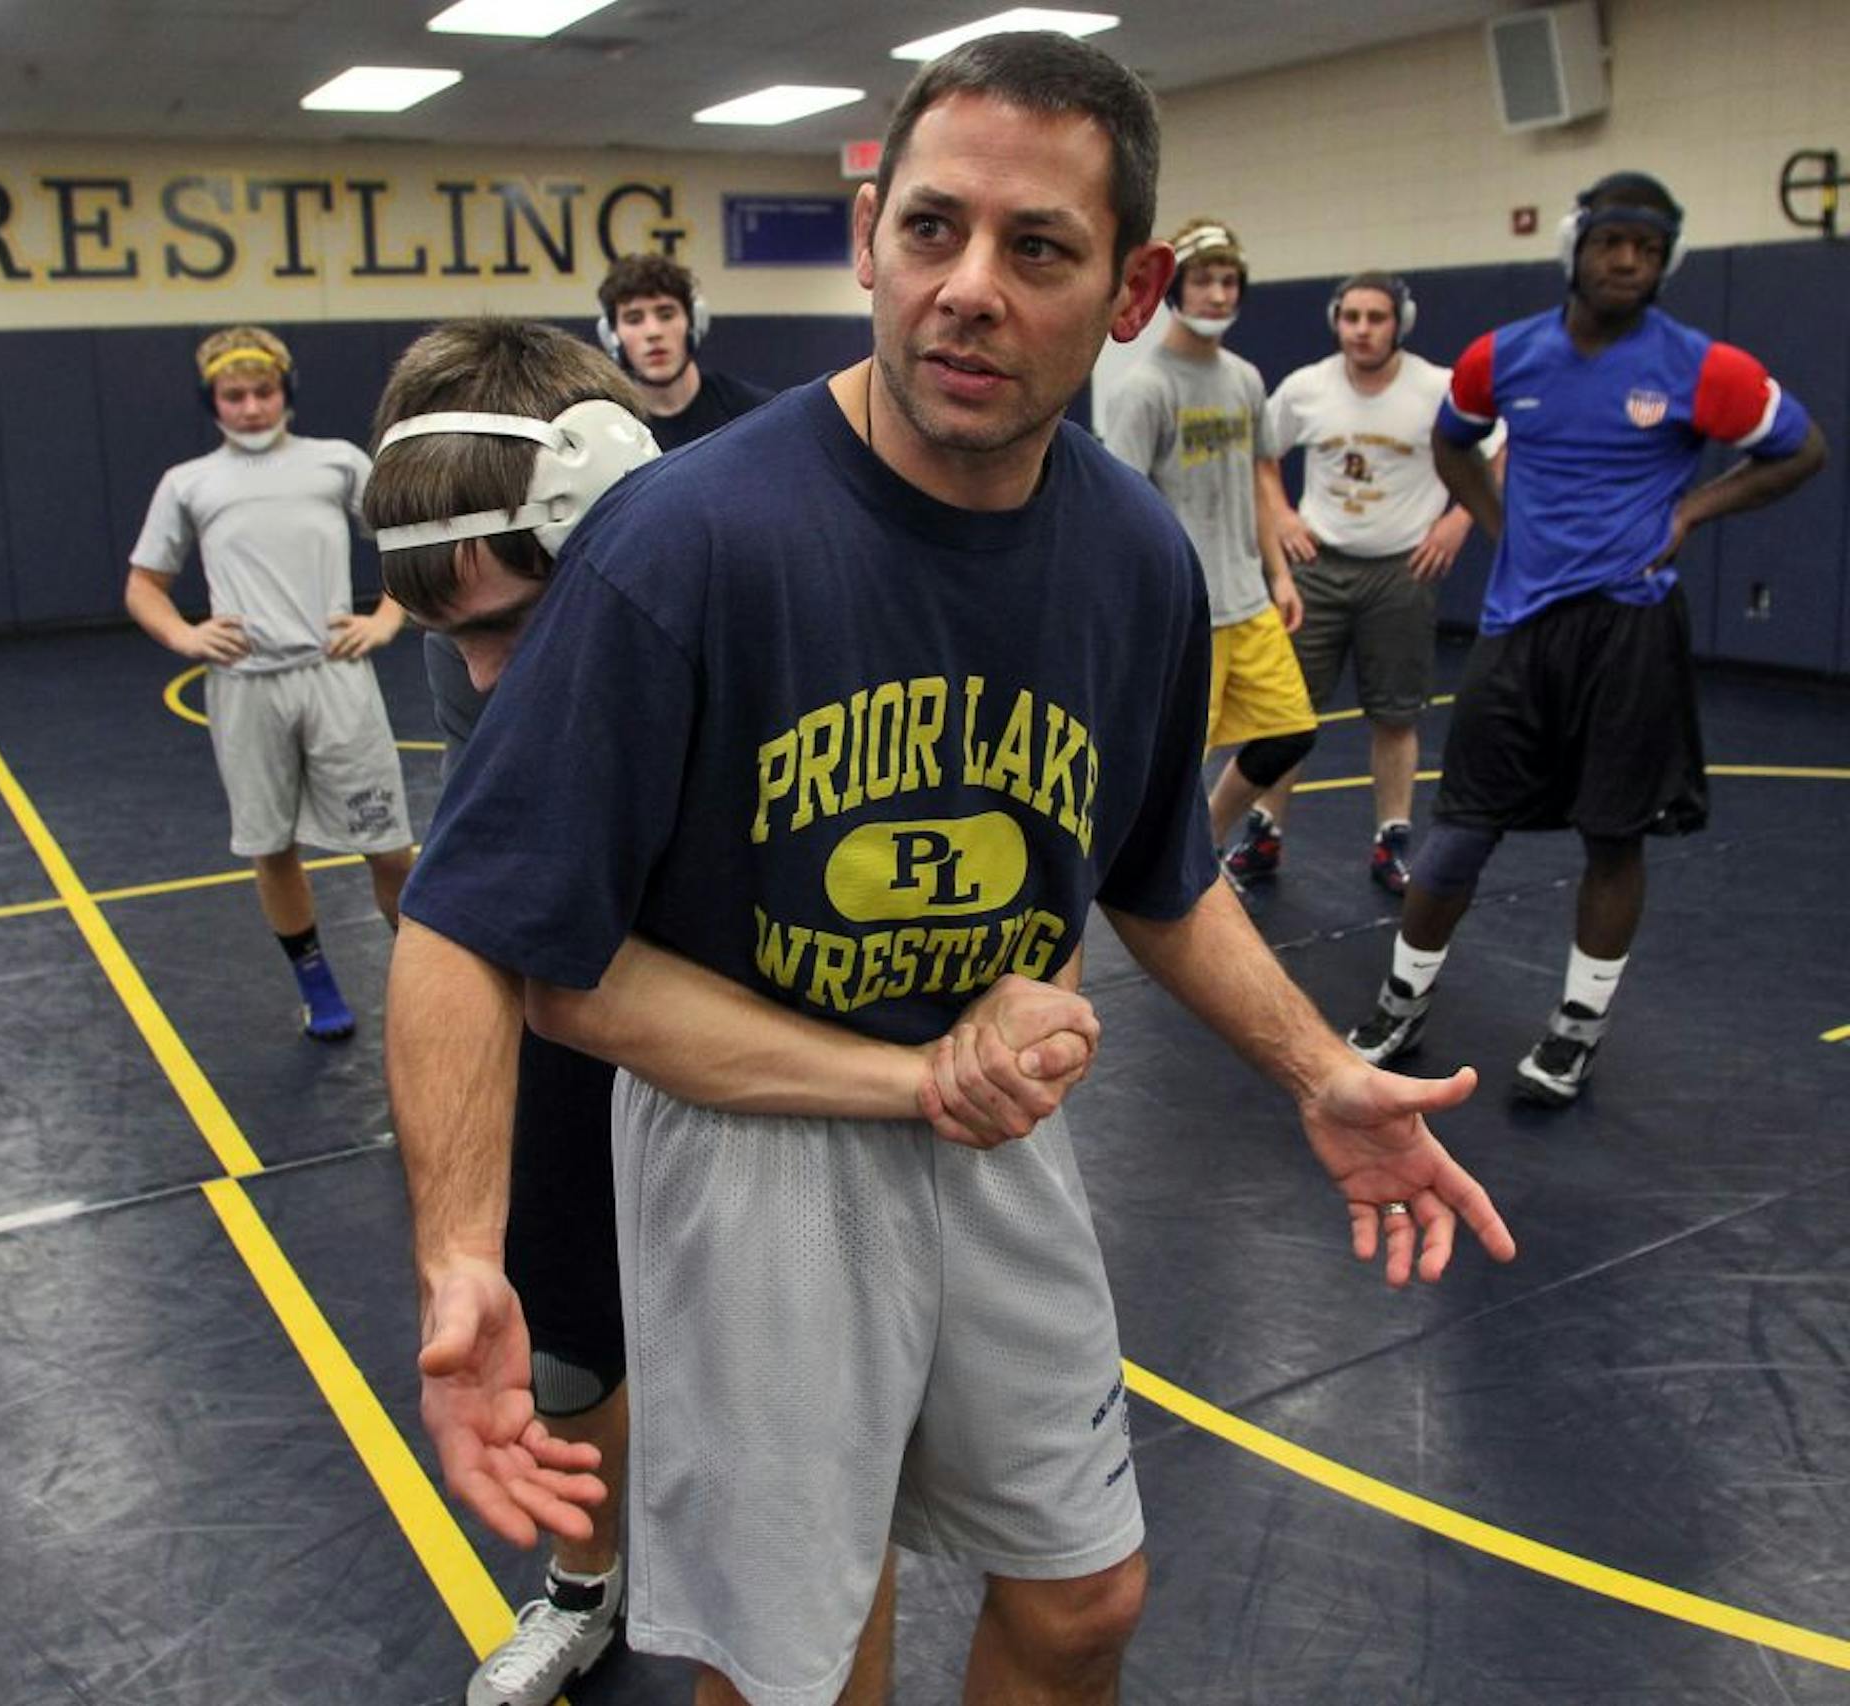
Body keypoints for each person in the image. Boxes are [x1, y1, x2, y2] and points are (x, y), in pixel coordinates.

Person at [389, 34, 1516, 1706]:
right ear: (869, 243)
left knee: (1085, 1600)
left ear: (1131, 289)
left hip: (988, 1125)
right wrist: (464, 1258)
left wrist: (1323, 1069)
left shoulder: (1128, 553)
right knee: (803, 1658)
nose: (968, 288)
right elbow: (475, 925)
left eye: (1036, 249)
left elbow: (1161, 876)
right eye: (931, 231)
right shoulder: (688, 543)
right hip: (753, 1151)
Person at [364, 317, 1103, 1706]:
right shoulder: (503, 603)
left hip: (754, 1072)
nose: (479, 680)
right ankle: (584, 1592)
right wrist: (457, 1246)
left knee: (825, 1531)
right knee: (567, 1351)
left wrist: (1027, 992)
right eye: (445, 633)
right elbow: (477, 931)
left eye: (513, 628)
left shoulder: (713, 575)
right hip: (582, 1042)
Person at [1346, 172, 1826, 1105]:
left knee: (1615, 836)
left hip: (1632, 628)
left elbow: (1799, 450)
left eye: (1648, 250)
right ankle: (1401, 1001)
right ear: (1578, 246)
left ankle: (1577, 1027)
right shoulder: (1503, 357)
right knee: (1458, 833)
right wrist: (1500, 526)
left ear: (1666, 263)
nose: (1627, 262)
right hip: (1521, 629)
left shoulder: (1700, 366)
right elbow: (1454, 441)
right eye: (1613, 242)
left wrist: (1693, 509)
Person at [124, 325, 415, 1041]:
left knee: (389, 844)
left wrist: (384, 619)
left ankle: (423, 978)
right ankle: (317, 986)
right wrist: (185, 635)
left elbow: (411, 540)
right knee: (270, 843)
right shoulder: (189, 483)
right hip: (246, 688)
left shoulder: (337, 463)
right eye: (234, 395)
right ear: (212, 402)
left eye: (263, 391)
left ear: (286, 393)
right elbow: (143, 586)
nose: (251, 407)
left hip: (336, 677)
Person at [1242, 271, 1504, 894]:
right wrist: (1279, 514)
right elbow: (1261, 450)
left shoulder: (1438, 387)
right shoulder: (1306, 387)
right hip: (1319, 566)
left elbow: (1496, 446)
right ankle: (1262, 831)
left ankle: (1392, 838)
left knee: (1395, 714)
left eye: (1375, 318)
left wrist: (1460, 520)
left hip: (1401, 568)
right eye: (1351, 317)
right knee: (1287, 712)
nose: (1361, 330)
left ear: (1399, 324)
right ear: (1336, 320)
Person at [1102, 218, 1320, 871]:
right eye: (1204, 281)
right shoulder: (1146, 388)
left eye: (1229, 282)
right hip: (1185, 616)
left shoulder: (1245, 379)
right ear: (1174, 287)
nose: (1219, 295)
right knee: (1173, 767)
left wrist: (1279, 575)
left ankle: (1205, 852)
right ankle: (1164, 870)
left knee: (1289, 734)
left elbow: (1258, 483)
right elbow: (1125, 509)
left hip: (1248, 601)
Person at [595, 253, 775, 450]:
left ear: (694, 322)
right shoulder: (606, 430)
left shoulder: (754, 414)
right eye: (634, 319)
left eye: (666, 314)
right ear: (612, 335)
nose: (653, 332)